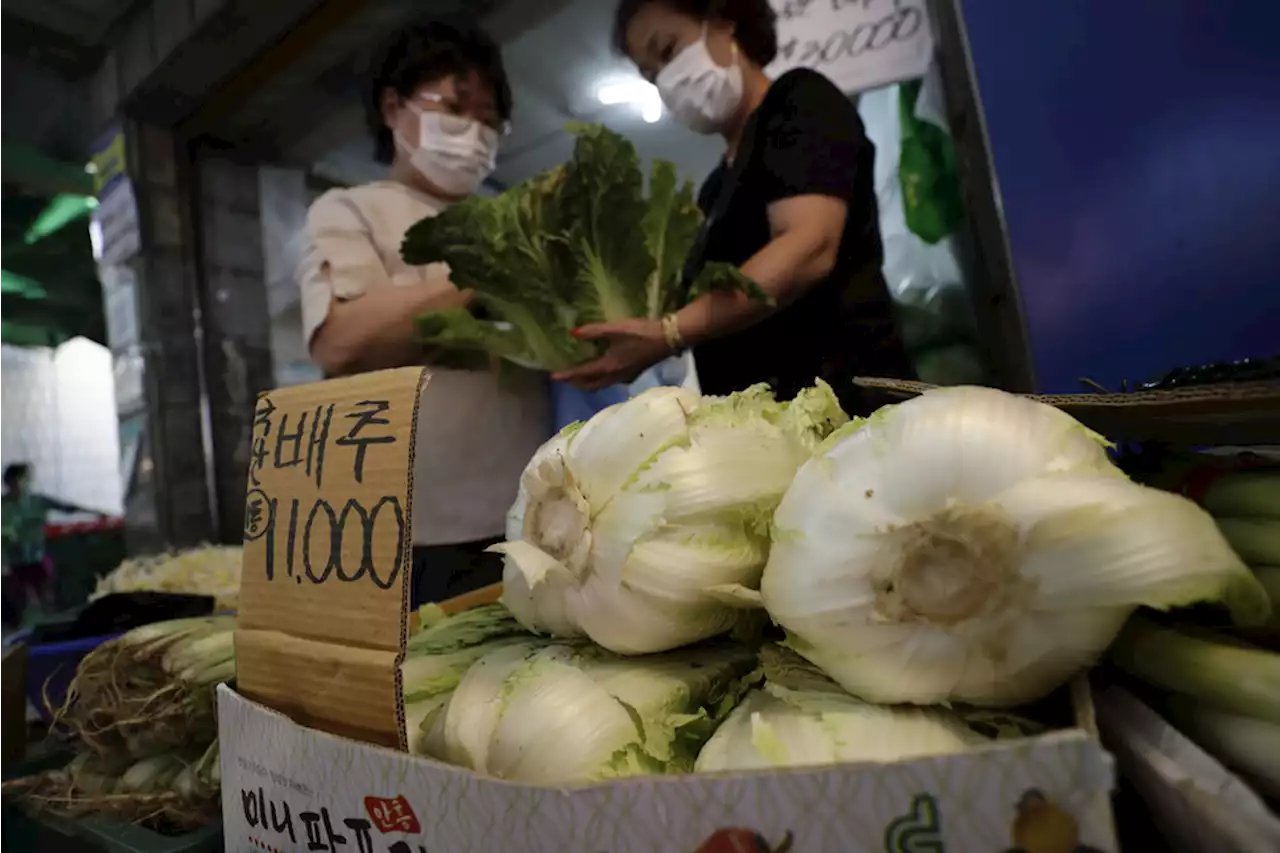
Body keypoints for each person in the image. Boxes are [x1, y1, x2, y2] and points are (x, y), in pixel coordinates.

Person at [557, 0, 916, 414]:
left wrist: (670, 333)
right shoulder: (714, 190)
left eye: (668, 50)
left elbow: (809, 247)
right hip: (765, 422)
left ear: (724, 25)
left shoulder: (799, 102)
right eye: (652, 75)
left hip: (845, 402)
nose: (667, 81)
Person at [298, 20, 551, 607]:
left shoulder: (513, 220)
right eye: (457, 109)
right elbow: (340, 341)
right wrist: (479, 280)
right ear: (393, 106)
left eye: (490, 122)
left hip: (526, 522)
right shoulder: (350, 210)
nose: (475, 134)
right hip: (408, 536)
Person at [0, 464, 77, 626]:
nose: (21, 485)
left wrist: (100, 513)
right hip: (15, 562)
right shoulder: (3, 506)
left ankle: (55, 627)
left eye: (24, 480)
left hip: (38, 557)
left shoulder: (37, 501)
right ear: (9, 482)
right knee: (18, 604)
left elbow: (67, 508)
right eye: (16, 481)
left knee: (48, 599)